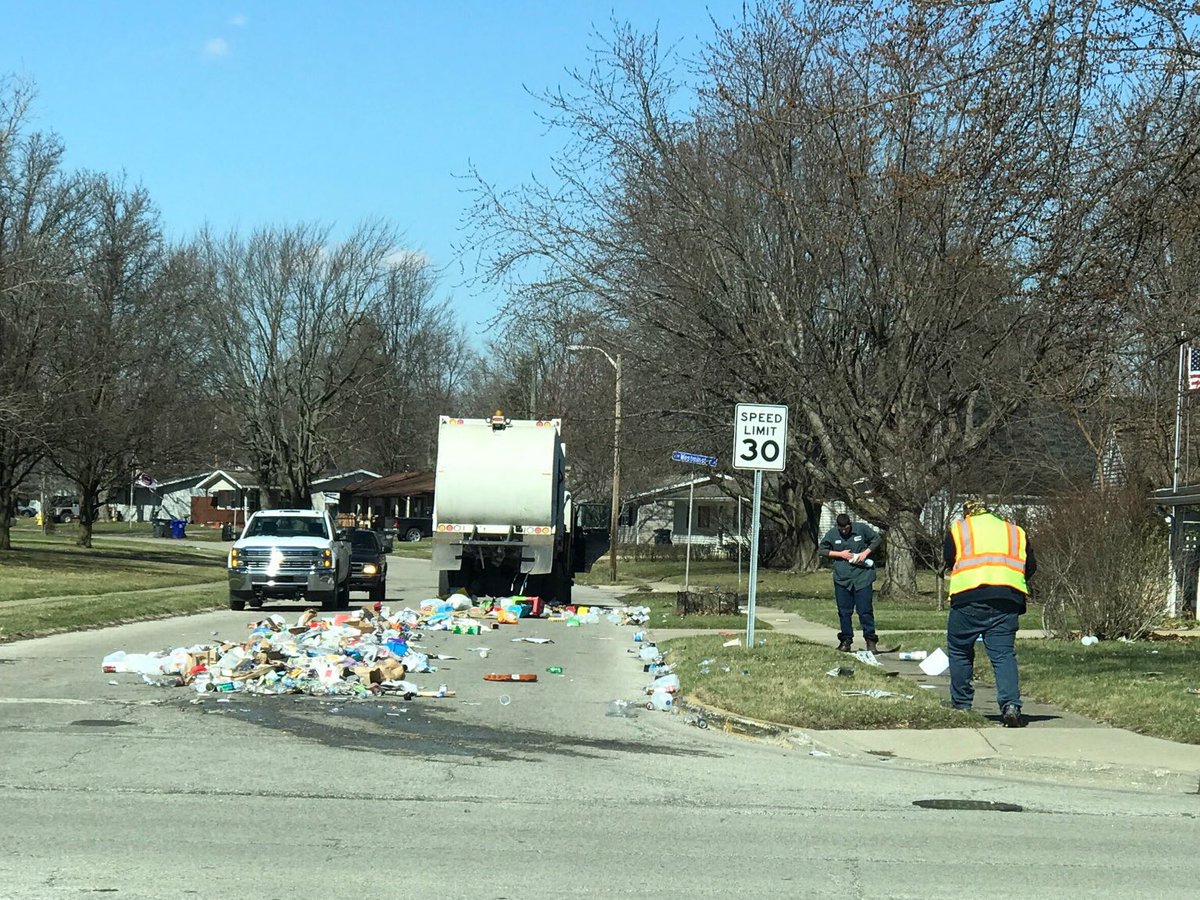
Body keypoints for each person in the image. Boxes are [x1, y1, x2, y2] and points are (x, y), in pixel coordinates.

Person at [943, 499, 1036, 728]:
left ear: (968, 513)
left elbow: (948, 559)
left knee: (960, 649)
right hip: (1007, 600)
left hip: (969, 598)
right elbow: (1031, 566)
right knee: (1003, 654)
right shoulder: (1015, 531)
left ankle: (961, 703)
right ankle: (1011, 705)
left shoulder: (960, 529)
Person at [818, 513, 883, 652]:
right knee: (844, 612)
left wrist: (865, 553)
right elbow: (822, 550)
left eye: (846, 528)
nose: (844, 531)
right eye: (841, 529)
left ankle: (870, 640)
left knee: (865, 610)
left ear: (850, 524)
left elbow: (877, 539)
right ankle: (846, 640)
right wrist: (839, 554)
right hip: (842, 579)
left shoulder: (861, 529)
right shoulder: (832, 534)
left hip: (862, 577)